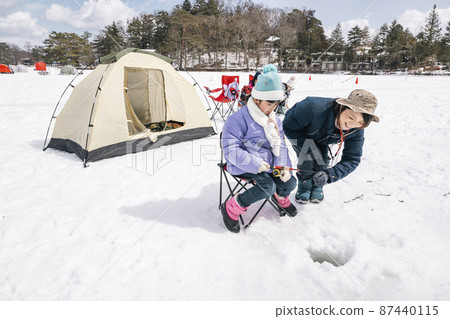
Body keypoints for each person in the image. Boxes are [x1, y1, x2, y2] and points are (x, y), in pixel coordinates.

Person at [221, 64, 297, 233]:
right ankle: (232, 207)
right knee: (267, 186)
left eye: (276, 103)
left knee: (291, 181)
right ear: (256, 99)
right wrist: (255, 164)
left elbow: (281, 145)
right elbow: (231, 150)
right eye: (269, 103)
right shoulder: (237, 120)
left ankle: (280, 197)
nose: (273, 107)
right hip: (243, 164)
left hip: (270, 164)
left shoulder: (275, 120)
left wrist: (283, 166)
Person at [282, 89, 379, 204]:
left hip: (323, 138)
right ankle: (305, 183)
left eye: (360, 122)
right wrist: (310, 148)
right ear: (342, 107)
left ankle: (318, 184)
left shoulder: (357, 130)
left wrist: (329, 175)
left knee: (322, 160)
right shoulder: (311, 107)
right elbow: (289, 126)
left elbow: (352, 159)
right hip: (301, 132)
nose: (352, 125)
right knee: (307, 158)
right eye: (351, 117)